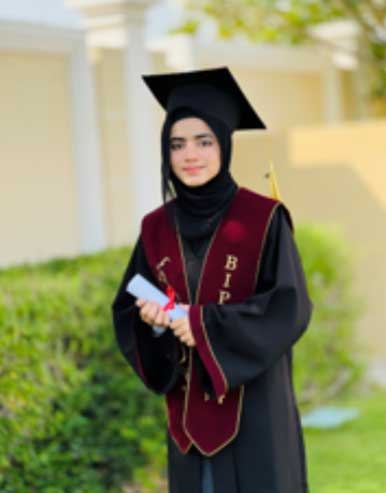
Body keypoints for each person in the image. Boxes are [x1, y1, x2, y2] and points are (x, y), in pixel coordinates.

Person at [112, 66, 313, 493]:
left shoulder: (263, 219)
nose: (190, 155)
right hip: (189, 418)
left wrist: (202, 325)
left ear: (224, 144)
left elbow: (288, 306)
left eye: (204, 141)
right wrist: (154, 324)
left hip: (256, 412)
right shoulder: (155, 227)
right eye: (177, 144)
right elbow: (128, 310)